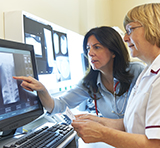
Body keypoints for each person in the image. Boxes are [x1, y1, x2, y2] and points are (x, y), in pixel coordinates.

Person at [71, 3, 160, 148]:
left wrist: (102, 133)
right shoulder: (147, 73)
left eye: (130, 30)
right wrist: (98, 122)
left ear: (153, 26)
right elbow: (132, 124)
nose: (125, 38)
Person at [13, 26, 144, 120]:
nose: (90, 53)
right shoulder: (89, 82)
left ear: (114, 51)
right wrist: (42, 90)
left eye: (97, 47)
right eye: (88, 48)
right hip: (112, 142)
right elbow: (59, 106)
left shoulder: (136, 71)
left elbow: (145, 117)